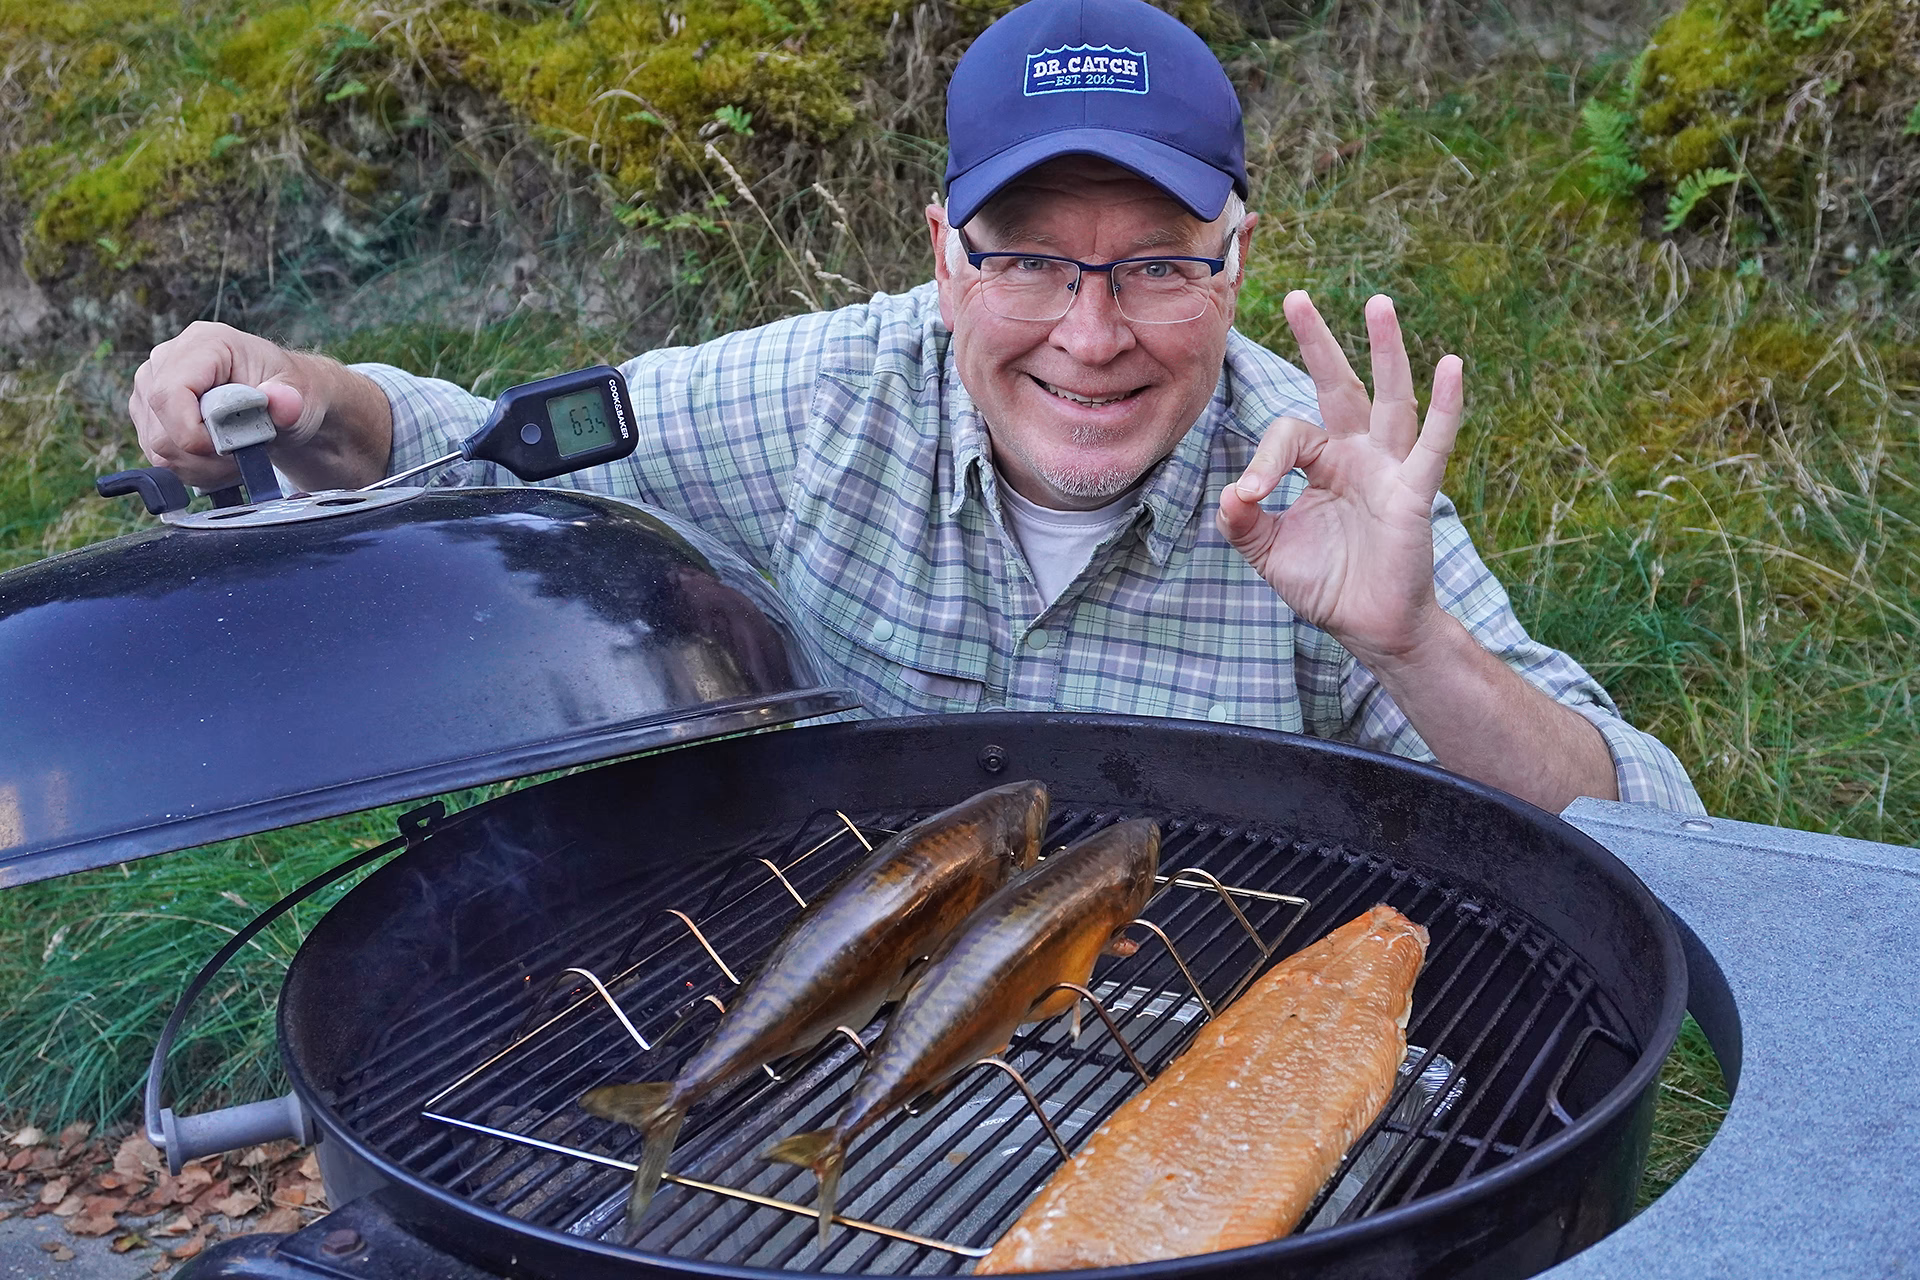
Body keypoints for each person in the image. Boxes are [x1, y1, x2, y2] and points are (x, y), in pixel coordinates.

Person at [126, 0, 1703, 815]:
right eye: (1031, 259)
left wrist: (1412, 645)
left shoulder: (1316, 472)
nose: (1091, 338)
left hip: (1205, 1046)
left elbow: (1661, 829)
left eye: (1156, 265)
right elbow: (496, 449)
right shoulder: (819, 392)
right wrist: (320, 397)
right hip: (868, 1021)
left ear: (1237, 258)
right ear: (944, 256)